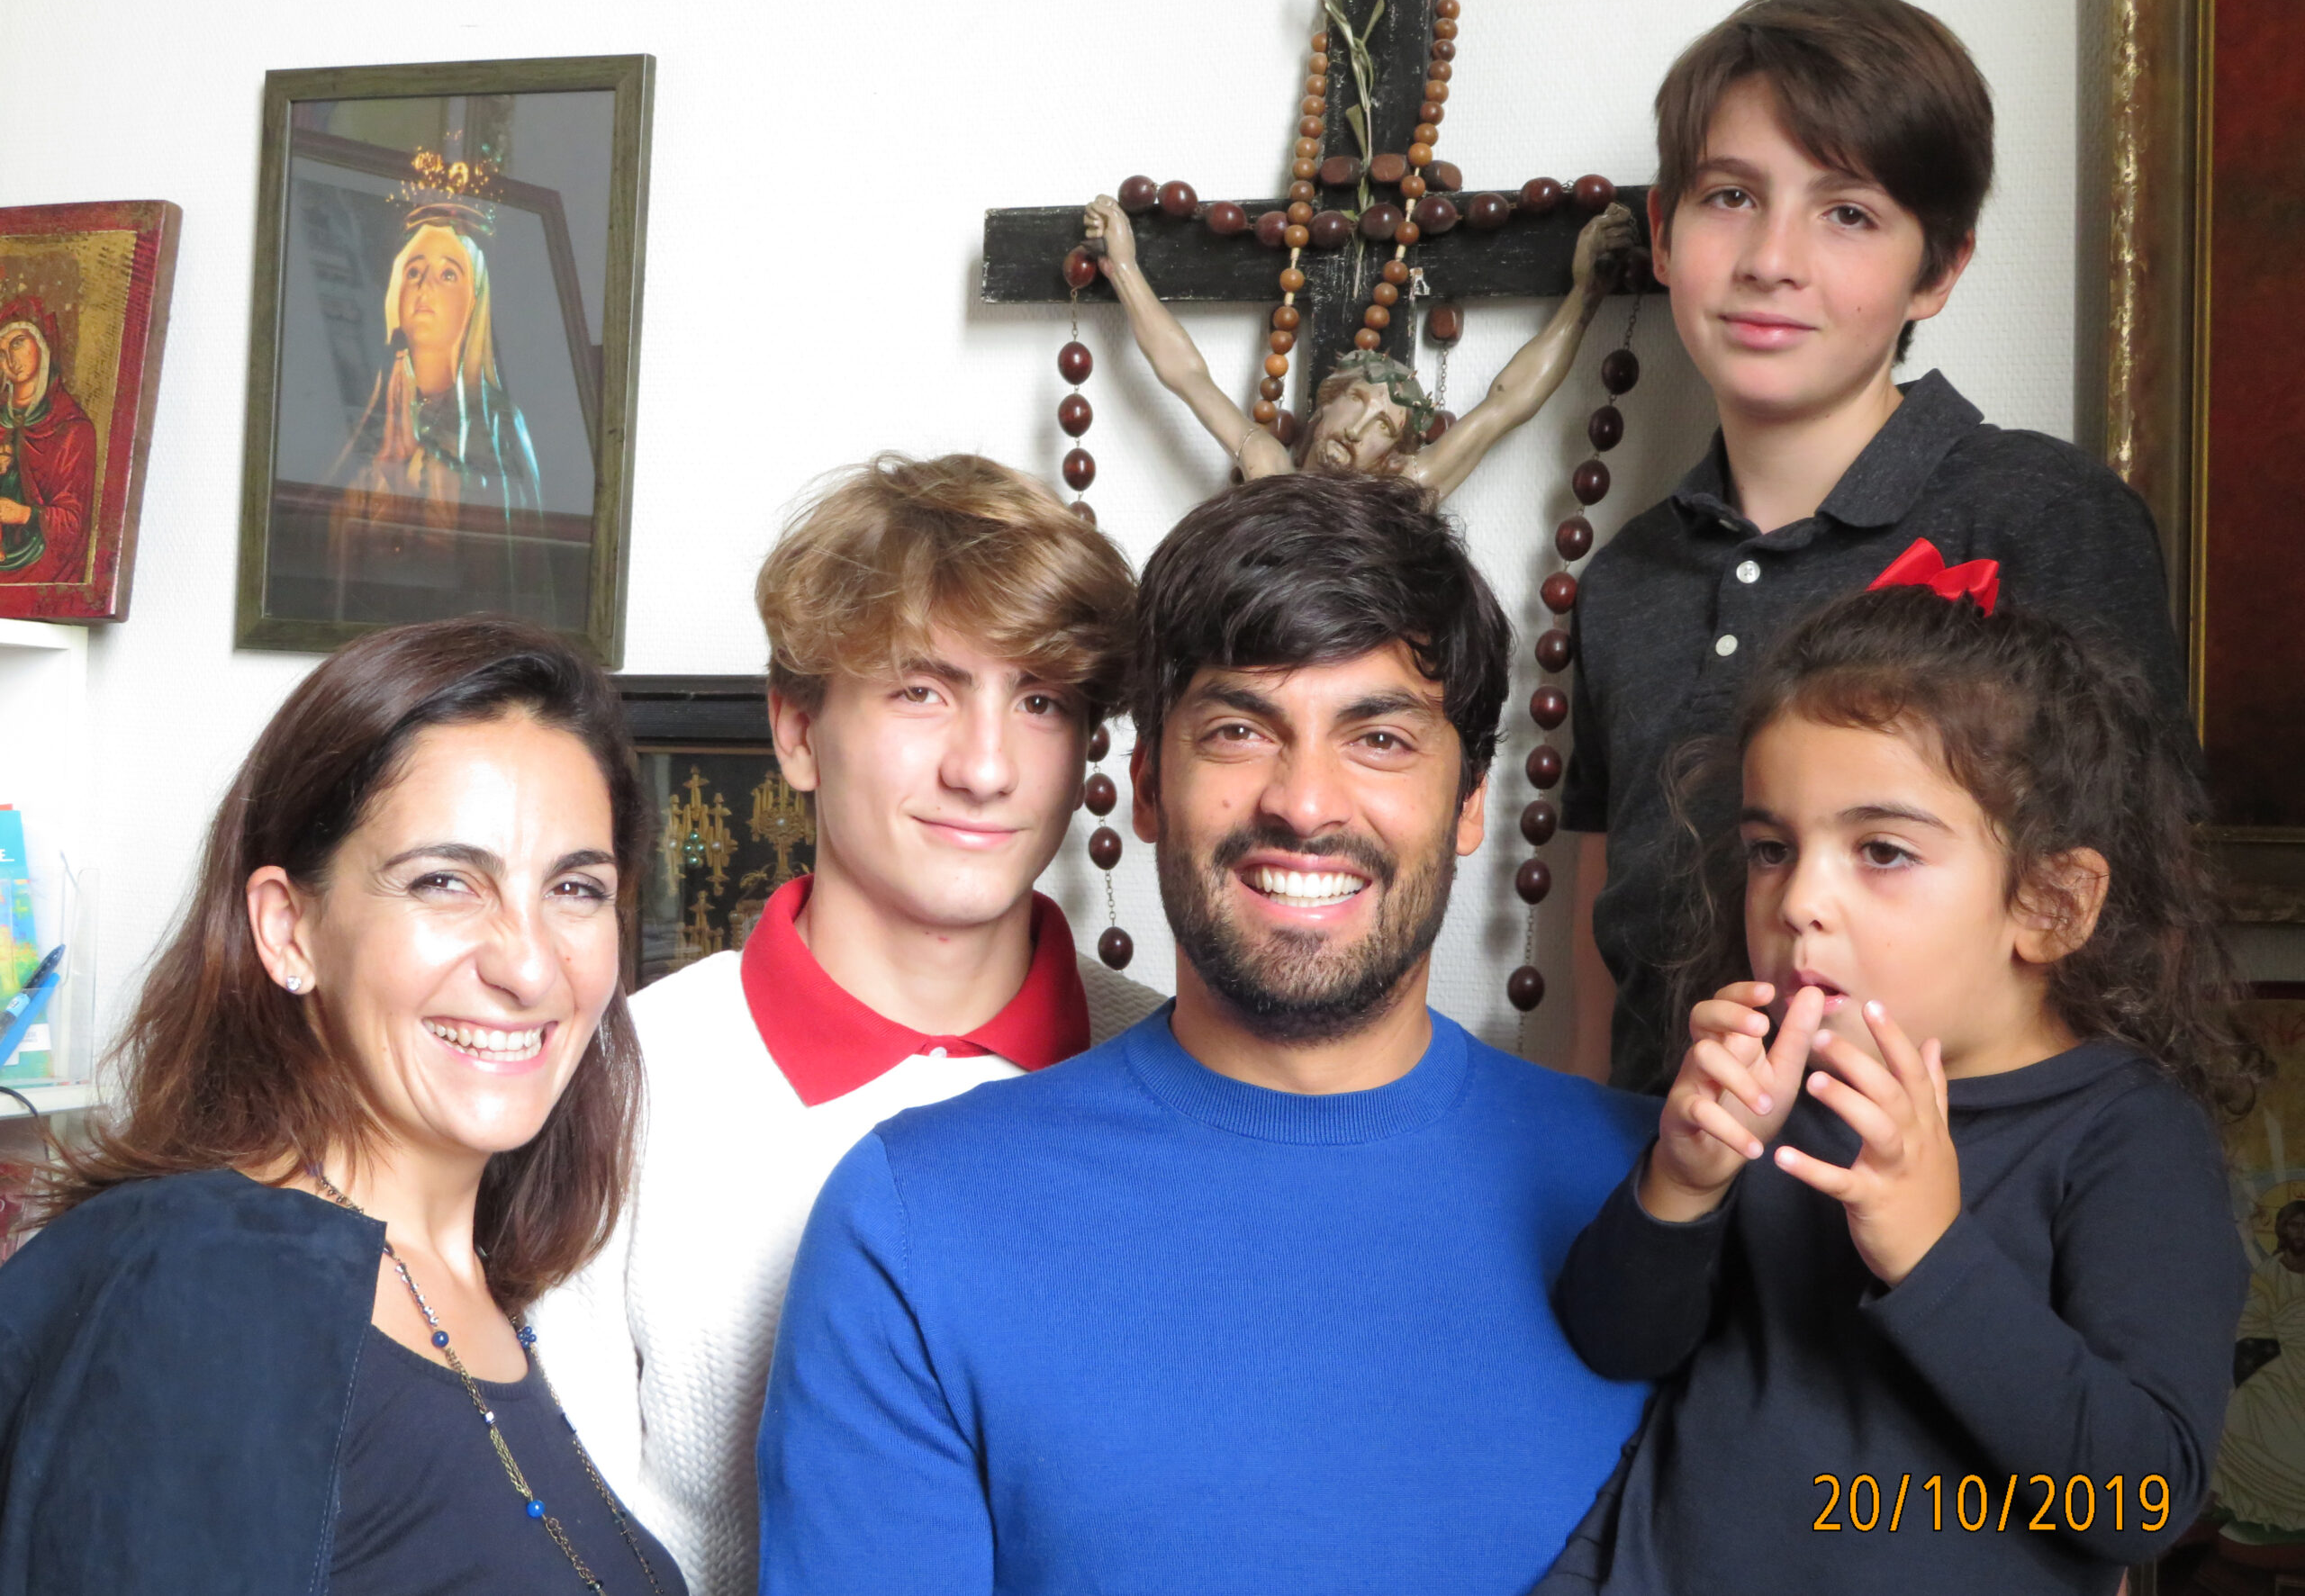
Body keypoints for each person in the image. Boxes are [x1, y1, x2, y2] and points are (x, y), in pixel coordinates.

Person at [759, 471, 1659, 1595]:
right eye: (1238, 731)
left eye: (1380, 738)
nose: (1305, 803)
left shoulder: (1667, 1197)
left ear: (1472, 799)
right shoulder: (913, 1224)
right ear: (1144, 786)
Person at [1541, 573, 2260, 1594]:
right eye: (1770, 849)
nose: (1799, 900)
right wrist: (1681, 1182)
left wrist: (1930, 1251)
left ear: (2052, 903)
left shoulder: (2129, 1139)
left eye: (1880, 850)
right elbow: (1613, 1345)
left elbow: (2136, 1500)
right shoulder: (1765, 1093)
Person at [529, 454, 1161, 1596]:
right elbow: (565, 1550)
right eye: (921, 690)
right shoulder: (618, 1079)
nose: (984, 768)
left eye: (1040, 701)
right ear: (795, 731)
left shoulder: (1178, 1072)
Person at [1564, 0, 2191, 1092]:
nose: (1771, 258)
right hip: (1673, 1170)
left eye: (1847, 213)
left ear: (1937, 269)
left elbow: (2136, 932)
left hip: (1953, 1176)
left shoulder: (2041, 512)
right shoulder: (1624, 579)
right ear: (1661, 234)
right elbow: (1602, 951)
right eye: (1729, 196)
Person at [0, 616, 687, 1595]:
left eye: (576, 888)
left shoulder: (476, 1288)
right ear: (289, 929)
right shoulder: (210, 1282)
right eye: (445, 881)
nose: (531, 966)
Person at [1084, 193, 1638, 500]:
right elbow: (1188, 377)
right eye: (1355, 402)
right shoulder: (1271, 471)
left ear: (1395, 457)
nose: (1354, 432)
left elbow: (1507, 404)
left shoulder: (1406, 493)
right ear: (1323, 405)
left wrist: (1585, 294)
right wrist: (1123, 268)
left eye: (1382, 428)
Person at [327, 201, 553, 624]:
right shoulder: (374, 411)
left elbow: (504, 554)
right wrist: (378, 480)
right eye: (414, 271)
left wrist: (426, 472)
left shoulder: (499, 422)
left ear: (475, 300)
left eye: (449, 274)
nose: (425, 285)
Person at [2208, 1199, 2305, 1538]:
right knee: (2241, 1412)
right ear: (2282, 1229)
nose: (2301, 1232)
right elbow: (2251, 1321)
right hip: (2278, 1365)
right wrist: (2286, 1326)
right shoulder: (2268, 1274)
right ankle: (2264, 1508)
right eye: (2294, 1225)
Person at [0, 296, 98, 587]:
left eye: (18, 343)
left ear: (41, 345)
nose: (10, 359)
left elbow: (73, 526)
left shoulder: (72, 429)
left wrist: (24, 515)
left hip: (40, 566)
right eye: (1, 351)